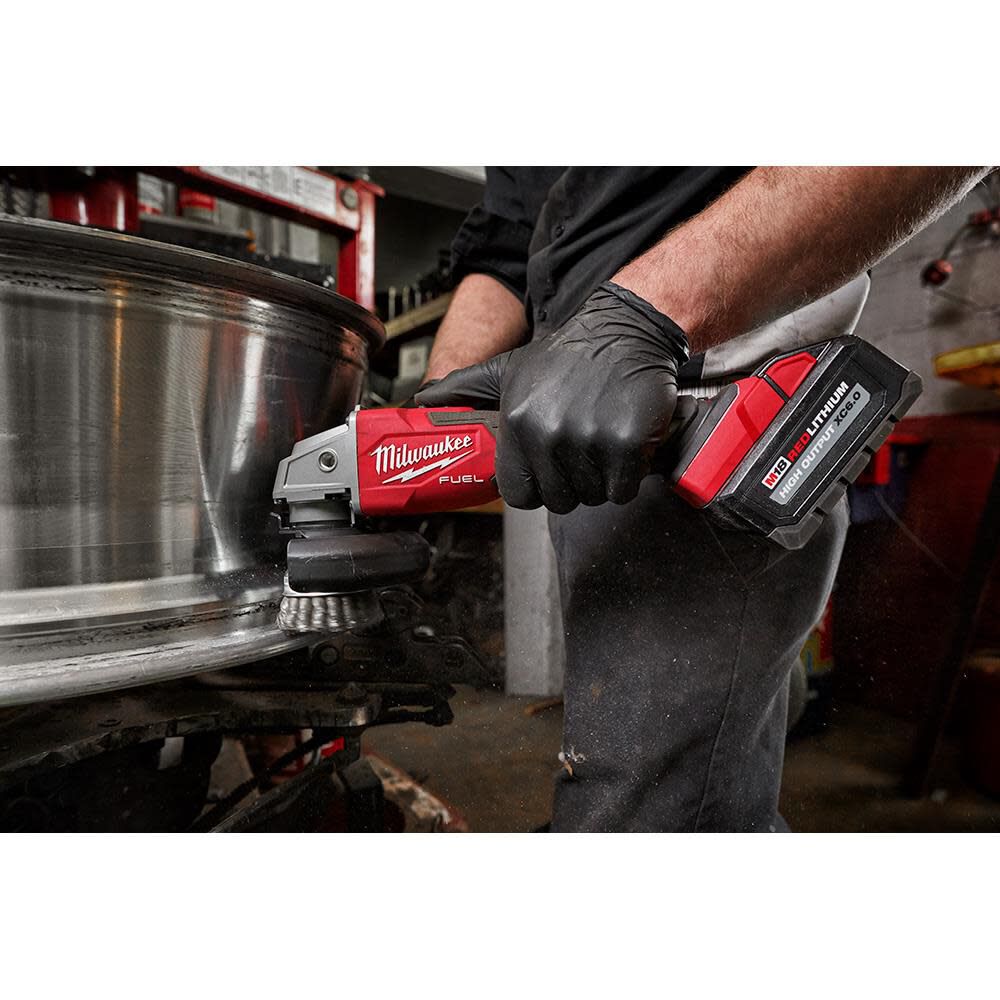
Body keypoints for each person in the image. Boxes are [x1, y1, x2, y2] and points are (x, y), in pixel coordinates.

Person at [416, 167, 991, 832]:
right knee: (677, 775)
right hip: (580, 412)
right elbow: (507, 239)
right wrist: (427, 428)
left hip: (706, 397)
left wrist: (643, 313)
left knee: (650, 818)